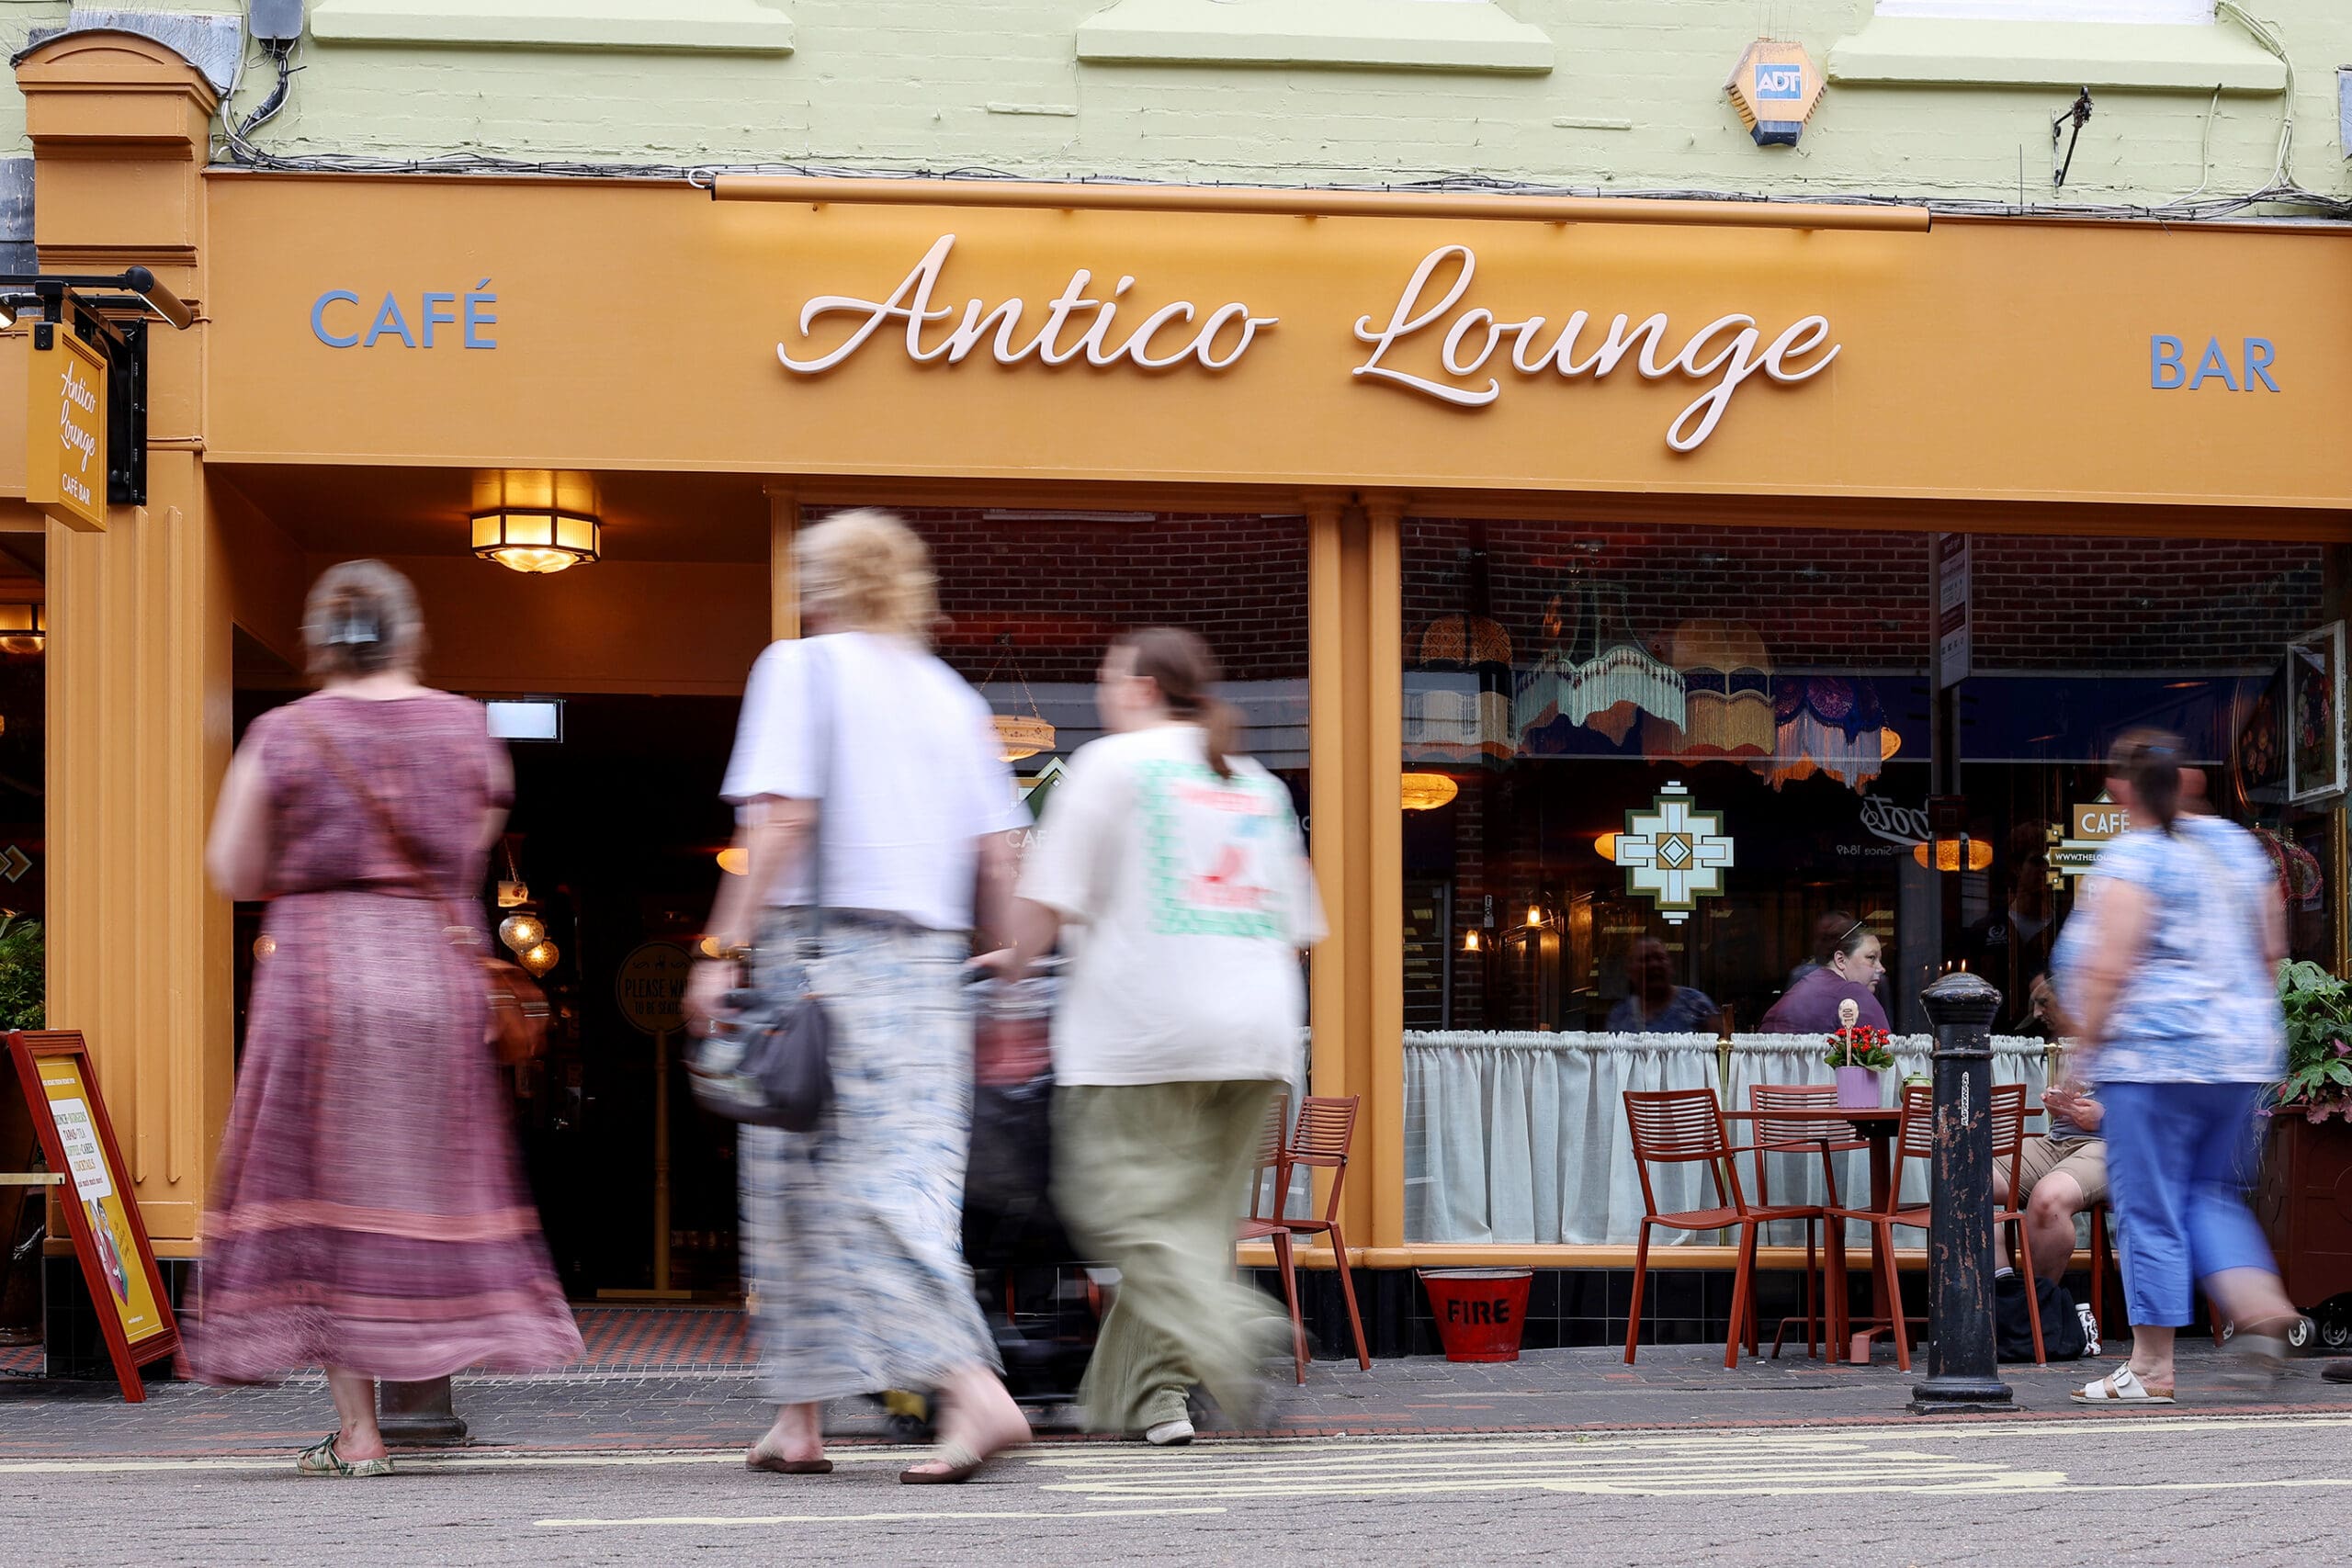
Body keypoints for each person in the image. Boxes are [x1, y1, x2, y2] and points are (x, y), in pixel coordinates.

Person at [190, 560, 582, 1477]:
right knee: (421, 1186)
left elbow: (235, 871)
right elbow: (470, 855)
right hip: (433, 980)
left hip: (321, 976)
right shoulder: (463, 729)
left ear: (320, 640)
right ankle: (425, 1373)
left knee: (328, 1198)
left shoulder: (284, 734)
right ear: (409, 633)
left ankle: (359, 1432)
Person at [684, 508, 1032, 1483]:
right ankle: (798, 1422)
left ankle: (972, 1393)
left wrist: (721, 946)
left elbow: (783, 819)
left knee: (856, 1192)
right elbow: (999, 851)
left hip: (822, 958)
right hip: (929, 969)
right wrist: (1004, 971)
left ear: (823, 583)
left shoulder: (799, 668)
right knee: (845, 1185)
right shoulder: (948, 693)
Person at [995, 627, 1324, 1446]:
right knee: (1191, 1228)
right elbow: (1299, 927)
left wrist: (1008, 969)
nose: (1104, 691)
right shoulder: (1255, 782)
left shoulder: (1114, 764)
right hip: (1257, 1037)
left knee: (1117, 1207)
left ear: (1141, 687)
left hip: (1144, 1034)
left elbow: (1046, 900)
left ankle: (1236, 1338)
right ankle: (1152, 1398)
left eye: (1107, 676)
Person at [2052, 729, 2302, 1404]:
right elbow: (2271, 951)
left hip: (2154, 1058)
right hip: (2237, 1052)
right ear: (2187, 779)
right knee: (2204, 1193)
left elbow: (2111, 962)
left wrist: (2087, 1049)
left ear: (2121, 789)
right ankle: (2259, 1301)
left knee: (2150, 1205)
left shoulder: (2135, 856)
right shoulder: (2235, 847)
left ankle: (2153, 1367)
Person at [1759, 919, 1891, 1033]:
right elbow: (1884, 1055)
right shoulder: (1853, 994)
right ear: (1840, 960)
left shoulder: (1804, 985)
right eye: (1871, 958)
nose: (1881, 968)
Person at [1606, 938, 1719, 1033]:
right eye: (1646, 959)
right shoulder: (1619, 1015)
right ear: (1630, 970)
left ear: (1671, 966)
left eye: (1660, 958)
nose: (1654, 965)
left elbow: (1721, 1051)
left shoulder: (1697, 1005)